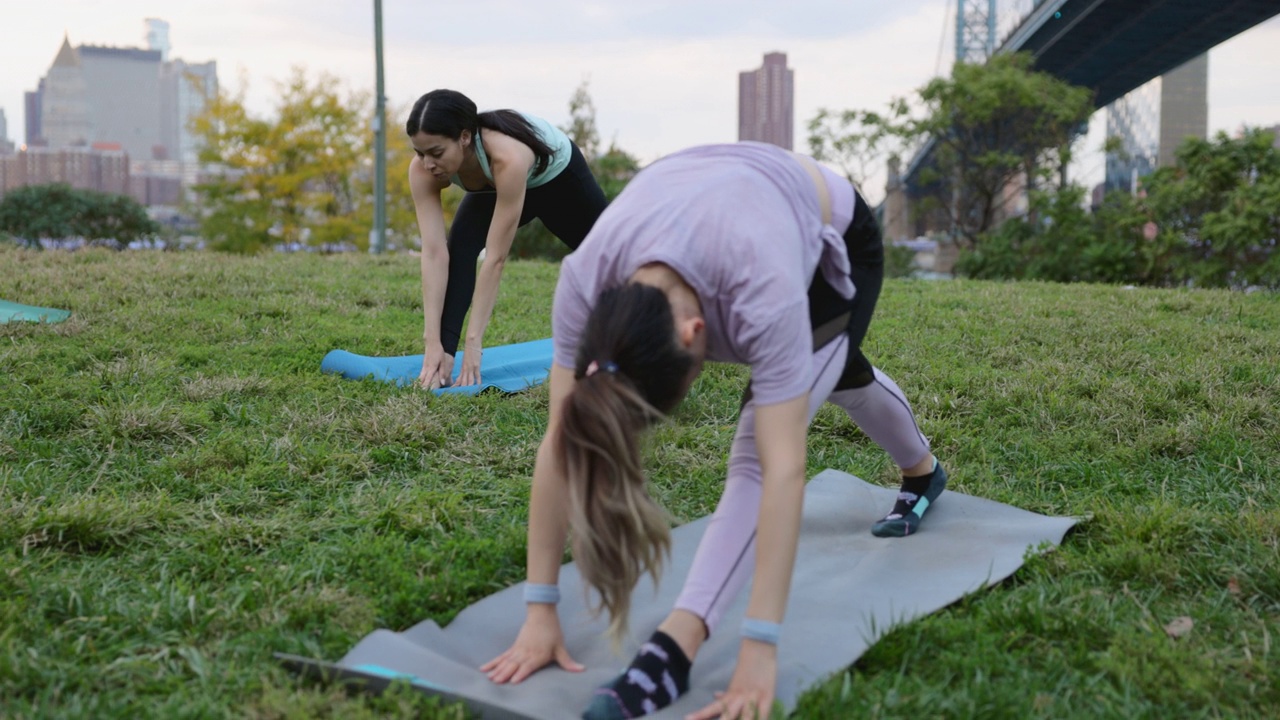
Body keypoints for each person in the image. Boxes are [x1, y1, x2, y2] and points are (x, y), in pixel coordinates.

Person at [479, 142, 950, 719]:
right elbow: (561, 440)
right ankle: (924, 473)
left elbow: (777, 470)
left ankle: (676, 647)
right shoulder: (585, 280)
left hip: (828, 229)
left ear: (698, 333)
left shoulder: (760, 290)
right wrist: (540, 608)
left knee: (769, 432)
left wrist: (758, 647)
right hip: (728, 205)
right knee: (835, 373)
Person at [406, 89, 608, 390]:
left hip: (558, 180)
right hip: (493, 186)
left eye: (436, 153)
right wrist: (433, 342)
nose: (428, 164)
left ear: (464, 137)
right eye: (420, 153)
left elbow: (496, 258)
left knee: (612, 255)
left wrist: (474, 345)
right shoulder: (423, 171)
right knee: (460, 247)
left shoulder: (506, 157)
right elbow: (435, 253)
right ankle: (443, 361)